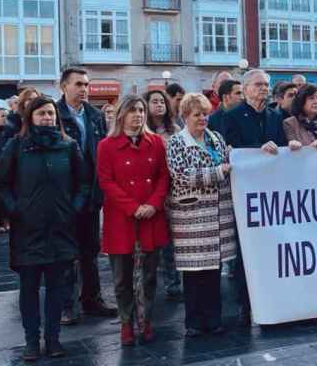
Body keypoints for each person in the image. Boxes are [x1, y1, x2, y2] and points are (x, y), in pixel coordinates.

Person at [0, 96, 89, 361]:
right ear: (30, 118)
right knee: (29, 289)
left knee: (58, 289)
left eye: (50, 114)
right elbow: (1, 184)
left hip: (61, 228)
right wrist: (15, 209)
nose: (47, 118)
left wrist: (75, 207)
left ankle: (54, 338)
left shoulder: (68, 147)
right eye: (41, 114)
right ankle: (31, 341)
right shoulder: (16, 146)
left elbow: (83, 183)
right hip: (28, 230)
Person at [98, 95, 170, 346]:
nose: (138, 115)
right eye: (132, 111)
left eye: (141, 110)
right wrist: (132, 207)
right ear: (121, 115)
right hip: (122, 219)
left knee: (149, 274)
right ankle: (126, 322)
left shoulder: (156, 143)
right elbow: (106, 181)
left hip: (151, 216)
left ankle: (146, 319)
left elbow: (163, 176)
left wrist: (153, 204)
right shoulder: (107, 145)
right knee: (121, 277)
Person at [216, 69, 285, 323]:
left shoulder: (275, 116)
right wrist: (258, 150)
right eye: (258, 85)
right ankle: (247, 304)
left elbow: (282, 146)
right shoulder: (231, 116)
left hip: (271, 193)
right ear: (245, 89)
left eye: (266, 85)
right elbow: (229, 149)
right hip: (244, 194)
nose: (264, 89)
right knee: (248, 251)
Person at [166, 93, 235, 336]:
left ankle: (214, 320)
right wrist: (217, 172)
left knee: (214, 273)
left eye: (205, 114)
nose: (203, 118)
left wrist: (226, 166)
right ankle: (194, 323)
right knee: (194, 274)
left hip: (217, 215)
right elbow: (182, 175)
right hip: (191, 217)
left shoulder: (216, 138)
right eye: (197, 115)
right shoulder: (177, 142)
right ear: (185, 116)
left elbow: (229, 165)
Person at [55, 68, 117, 324]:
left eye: (87, 84)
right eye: (78, 84)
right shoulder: (53, 114)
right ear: (63, 86)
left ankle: (92, 299)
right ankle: (66, 304)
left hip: (91, 193)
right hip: (64, 193)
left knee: (90, 249)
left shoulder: (93, 115)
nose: (84, 89)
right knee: (66, 252)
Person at [144, 90, 182, 301]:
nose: (159, 105)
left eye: (162, 101)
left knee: (170, 241)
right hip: (148, 190)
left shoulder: (174, 129)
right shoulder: (142, 129)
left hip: (171, 189)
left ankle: (173, 283)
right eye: (154, 101)